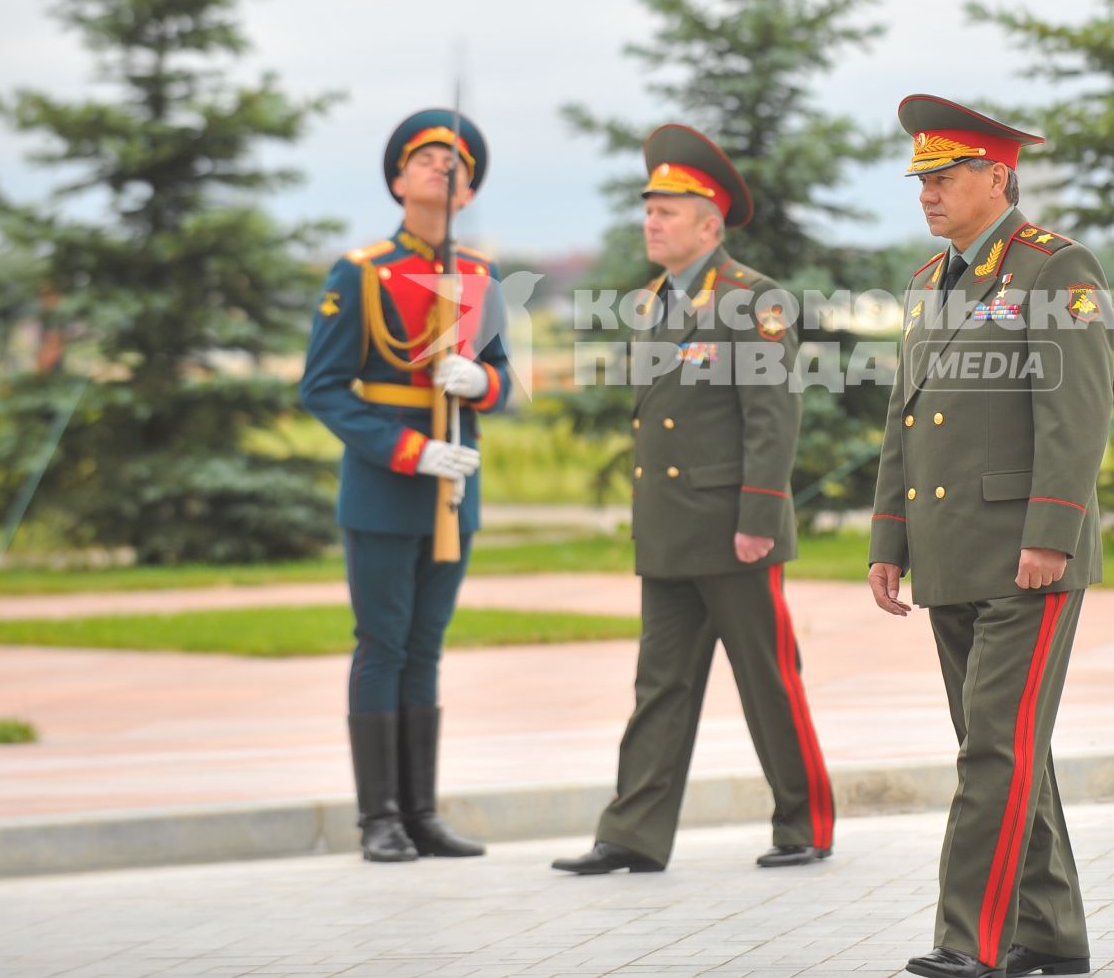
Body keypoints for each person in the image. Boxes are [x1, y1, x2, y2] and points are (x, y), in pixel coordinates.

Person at [868, 95, 1114, 978]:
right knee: (1009, 747)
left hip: (1026, 557)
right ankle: (1051, 935)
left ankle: (966, 941)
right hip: (950, 552)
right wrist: (888, 537)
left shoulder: (1056, 270)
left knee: (994, 748)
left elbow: (1076, 418)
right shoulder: (932, 279)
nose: (927, 194)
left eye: (944, 177)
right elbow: (907, 420)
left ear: (996, 177)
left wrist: (1053, 531)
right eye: (922, 179)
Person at [552, 123, 834, 876]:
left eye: (667, 210)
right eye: (649, 208)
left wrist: (759, 517)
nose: (651, 220)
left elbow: (772, 416)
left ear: (709, 223)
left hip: (734, 528)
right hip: (672, 532)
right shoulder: (647, 304)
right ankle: (632, 832)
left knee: (767, 679)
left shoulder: (754, 300)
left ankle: (804, 822)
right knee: (659, 685)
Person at [299, 108, 511, 863]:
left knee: (425, 647)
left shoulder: (479, 277)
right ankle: (379, 816)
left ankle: (422, 812)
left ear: (469, 189)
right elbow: (323, 388)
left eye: (455, 164)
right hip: (389, 484)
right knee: (382, 643)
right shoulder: (360, 273)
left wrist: (479, 375)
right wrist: (409, 449)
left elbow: (504, 384)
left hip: (455, 486)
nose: (440, 170)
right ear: (398, 180)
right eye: (425, 159)